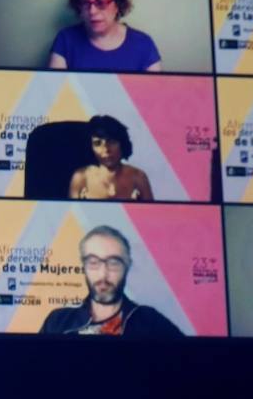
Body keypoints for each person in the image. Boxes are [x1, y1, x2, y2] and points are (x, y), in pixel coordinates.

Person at [39, 225, 183, 337]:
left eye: (113, 263)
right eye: (94, 262)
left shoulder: (150, 322)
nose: (103, 274)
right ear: (83, 266)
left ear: (127, 266)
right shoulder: (58, 321)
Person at [47, 0, 161, 72]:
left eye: (101, 2)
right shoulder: (65, 40)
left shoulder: (144, 44)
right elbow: (55, 91)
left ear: (117, 4)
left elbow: (155, 92)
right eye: (86, 3)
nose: (92, 11)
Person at [68, 115, 155, 200]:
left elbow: (153, 213)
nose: (106, 149)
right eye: (98, 143)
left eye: (112, 141)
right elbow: (71, 213)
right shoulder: (81, 178)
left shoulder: (138, 177)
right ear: (90, 147)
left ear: (122, 143)